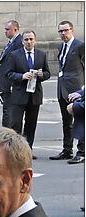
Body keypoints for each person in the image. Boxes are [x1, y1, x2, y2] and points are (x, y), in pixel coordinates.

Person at [4, 30, 50, 155]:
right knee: (16, 124)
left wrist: (42, 75)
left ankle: (28, 151)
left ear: (35, 40)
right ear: (22, 41)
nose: (29, 42)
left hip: (35, 95)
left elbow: (48, 73)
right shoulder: (14, 55)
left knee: (31, 125)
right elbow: (8, 74)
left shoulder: (41, 54)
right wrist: (21, 76)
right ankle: (14, 151)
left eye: (31, 39)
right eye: (26, 40)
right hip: (19, 94)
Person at [49, 20, 85, 164]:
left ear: (72, 30)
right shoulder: (61, 46)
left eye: (66, 30)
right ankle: (67, 149)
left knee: (81, 120)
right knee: (66, 121)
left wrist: (83, 90)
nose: (63, 34)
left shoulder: (80, 46)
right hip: (62, 88)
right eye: (61, 31)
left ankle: (82, 152)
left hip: (76, 89)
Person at [0, 20, 23, 129]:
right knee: (7, 113)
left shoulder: (18, 43)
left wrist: (13, 83)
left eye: (7, 29)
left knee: (9, 115)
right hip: (6, 85)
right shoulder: (12, 43)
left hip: (11, 85)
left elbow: (19, 64)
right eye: (5, 29)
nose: (5, 32)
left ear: (15, 30)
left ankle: (8, 139)